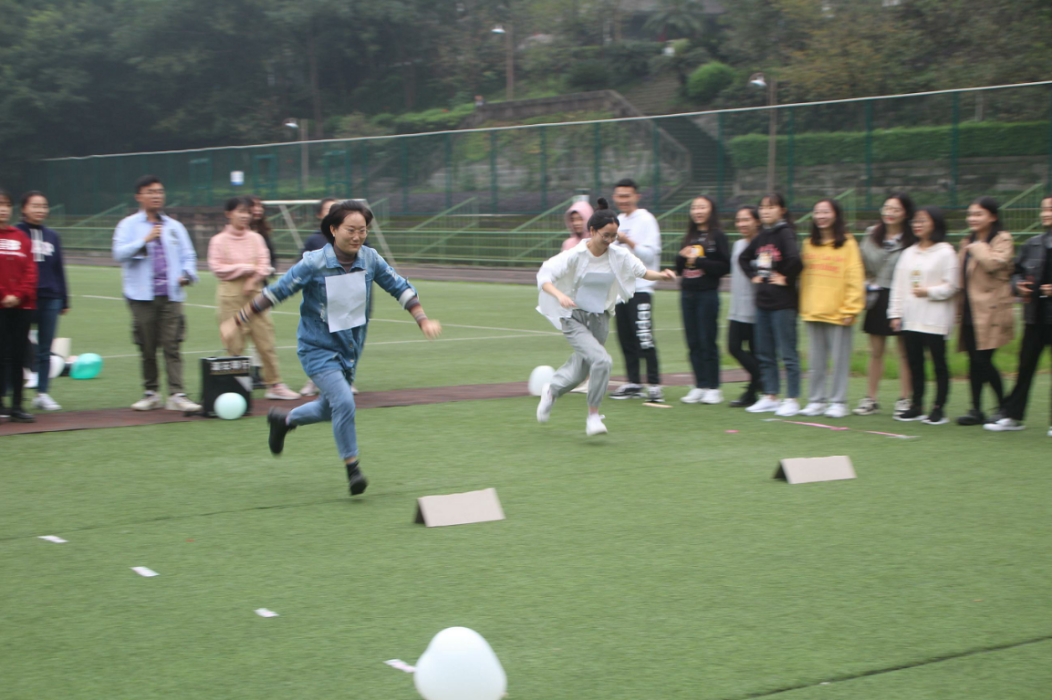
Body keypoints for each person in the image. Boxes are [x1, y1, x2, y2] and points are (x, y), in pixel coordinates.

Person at [220, 200, 441, 497]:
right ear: (334, 229)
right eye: (351, 230)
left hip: (350, 348)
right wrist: (236, 320)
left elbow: (399, 286)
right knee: (345, 403)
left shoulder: (370, 259)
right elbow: (276, 292)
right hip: (316, 348)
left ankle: (284, 421)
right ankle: (353, 469)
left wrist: (422, 319)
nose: (357, 237)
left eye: (363, 230)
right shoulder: (314, 263)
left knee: (329, 408)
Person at [535, 198, 676, 436]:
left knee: (581, 369)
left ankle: (551, 391)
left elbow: (641, 271)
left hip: (600, 318)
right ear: (592, 231)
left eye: (614, 236)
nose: (610, 240)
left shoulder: (618, 255)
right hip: (573, 317)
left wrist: (662, 275)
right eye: (605, 235)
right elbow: (544, 277)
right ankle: (593, 416)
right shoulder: (575, 254)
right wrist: (560, 296)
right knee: (602, 361)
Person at [112, 175, 202, 412]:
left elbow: (189, 256)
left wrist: (187, 274)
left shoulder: (174, 226)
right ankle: (151, 393)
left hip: (171, 295)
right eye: (150, 192)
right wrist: (144, 240)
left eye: (160, 191)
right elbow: (118, 253)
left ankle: (176, 394)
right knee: (147, 346)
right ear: (138, 196)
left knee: (173, 345)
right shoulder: (128, 225)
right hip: (141, 296)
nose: (156, 196)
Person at [208, 197, 299, 400]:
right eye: (240, 211)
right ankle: (236, 388)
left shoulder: (256, 238)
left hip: (256, 295)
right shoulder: (218, 240)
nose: (245, 216)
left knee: (265, 341)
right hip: (230, 295)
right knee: (234, 344)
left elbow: (265, 265)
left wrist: (254, 279)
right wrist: (247, 268)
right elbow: (217, 268)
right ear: (228, 213)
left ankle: (274, 384)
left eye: (247, 212)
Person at [985, 195, 1052, 435]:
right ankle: (1013, 416)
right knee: (1025, 368)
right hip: (1035, 317)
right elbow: (1015, 273)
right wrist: (1019, 285)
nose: (1046, 213)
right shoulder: (1033, 244)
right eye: (1044, 209)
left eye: (1051, 209)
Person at [887, 207, 959, 425]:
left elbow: (952, 286)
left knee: (938, 364)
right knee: (914, 363)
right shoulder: (908, 252)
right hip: (911, 318)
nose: (917, 225)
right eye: (915, 221)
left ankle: (938, 408)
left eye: (923, 221)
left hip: (935, 319)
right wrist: (895, 314)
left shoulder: (946, 252)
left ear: (935, 223)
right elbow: (898, 286)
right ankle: (916, 405)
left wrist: (929, 291)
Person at [798, 199, 864, 418]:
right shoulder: (808, 243)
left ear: (836, 215)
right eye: (817, 212)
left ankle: (838, 402)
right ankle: (816, 400)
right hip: (813, 309)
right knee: (815, 362)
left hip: (839, 312)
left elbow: (855, 276)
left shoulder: (848, 243)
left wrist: (851, 308)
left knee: (839, 361)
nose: (821, 216)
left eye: (826, 212)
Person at [739, 193, 803, 417]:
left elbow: (796, 260)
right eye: (763, 207)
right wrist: (753, 276)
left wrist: (786, 277)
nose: (766, 211)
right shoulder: (762, 235)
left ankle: (792, 399)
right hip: (763, 303)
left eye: (771, 207)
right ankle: (770, 396)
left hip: (783, 304)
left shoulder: (785, 233)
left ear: (782, 210)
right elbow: (743, 258)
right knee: (765, 353)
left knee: (788, 353)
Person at [955, 197, 1014, 426]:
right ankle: (976, 409)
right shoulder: (967, 241)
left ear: (993, 217)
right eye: (970, 214)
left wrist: (978, 247)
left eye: (979, 214)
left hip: (992, 310)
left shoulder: (1002, 239)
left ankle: (1004, 407)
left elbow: (993, 264)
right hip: (970, 308)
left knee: (983, 360)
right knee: (973, 360)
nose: (972, 218)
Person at [855, 194, 915, 417]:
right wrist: (866, 283)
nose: (889, 213)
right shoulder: (872, 234)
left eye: (896, 209)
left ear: (906, 213)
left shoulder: (912, 238)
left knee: (904, 352)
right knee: (876, 352)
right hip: (877, 295)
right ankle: (870, 399)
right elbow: (860, 262)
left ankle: (905, 399)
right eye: (887, 208)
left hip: (903, 296)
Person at [608, 178, 664, 402]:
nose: (623, 200)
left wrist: (627, 240)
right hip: (620, 290)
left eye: (627, 195)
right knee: (625, 338)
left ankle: (655, 385)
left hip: (641, 289)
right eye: (619, 196)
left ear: (636, 196)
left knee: (644, 337)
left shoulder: (646, 220)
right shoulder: (617, 220)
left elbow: (650, 256)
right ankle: (633, 383)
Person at [16, 191, 68, 412]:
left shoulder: (52, 236)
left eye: (44, 206)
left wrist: (64, 298)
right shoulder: (15, 234)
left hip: (50, 298)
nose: (40, 210)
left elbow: (58, 269)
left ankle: (42, 394)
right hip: (23, 299)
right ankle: (13, 394)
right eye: (35, 206)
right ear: (23, 209)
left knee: (45, 349)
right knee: (15, 347)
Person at [676, 195, 730, 404]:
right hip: (687, 294)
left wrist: (699, 261)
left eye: (702, 207)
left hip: (707, 294)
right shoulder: (689, 236)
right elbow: (680, 268)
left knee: (707, 340)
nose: (697, 211)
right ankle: (700, 385)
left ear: (711, 210)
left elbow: (724, 267)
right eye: (694, 208)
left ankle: (714, 388)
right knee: (693, 342)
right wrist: (681, 258)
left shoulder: (718, 236)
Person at [0, 188, 37, 423]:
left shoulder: (21, 237)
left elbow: (31, 271)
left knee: (18, 355)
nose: (3, 209)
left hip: (21, 307)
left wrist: (18, 295)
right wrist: (4, 295)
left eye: (6, 205)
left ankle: (17, 406)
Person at [299, 197, 340, 396]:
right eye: (329, 210)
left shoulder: (352, 237)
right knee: (318, 341)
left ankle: (344, 379)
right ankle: (313, 381)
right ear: (319, 215)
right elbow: (301, 268)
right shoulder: (314, 240)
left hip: (344, 296)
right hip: (319, 299)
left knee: (343, 341)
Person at [726, 206, 763, 408]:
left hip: (757, 307)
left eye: (746, 220)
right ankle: (762, 379)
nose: (742, 224)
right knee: (734, 347)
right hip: (737, 307)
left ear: (757, 221)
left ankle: (752, 392)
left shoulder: (764, 245)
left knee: (756, 352)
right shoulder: (738, 244)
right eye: (739, 220)